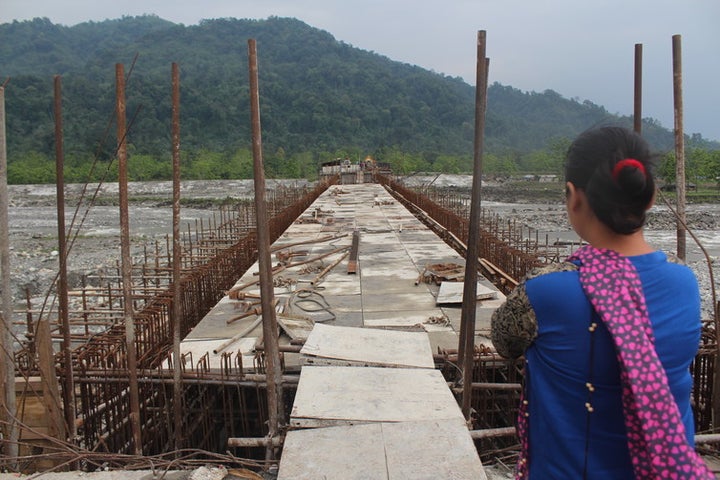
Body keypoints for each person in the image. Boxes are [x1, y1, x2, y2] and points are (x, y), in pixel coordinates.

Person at [490, 126, 713, 479]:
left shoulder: (545, 292)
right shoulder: (685, 283)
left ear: (573, 197)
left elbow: (504, 343)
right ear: (651, 196)